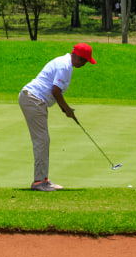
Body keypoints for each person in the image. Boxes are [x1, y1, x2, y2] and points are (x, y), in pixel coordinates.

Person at [19, 43, 96, 190]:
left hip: (34, 100)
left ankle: (44, 179)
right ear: (78, 58)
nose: (85, 64)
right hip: (33, 99)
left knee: (44, 140)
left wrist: (65, 109)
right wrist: (67, 110)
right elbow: (56, 91)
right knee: (42, 140)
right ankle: (39, 182)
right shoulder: (64, 66)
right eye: (85, 61)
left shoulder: (66, 64)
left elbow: (55, 91)